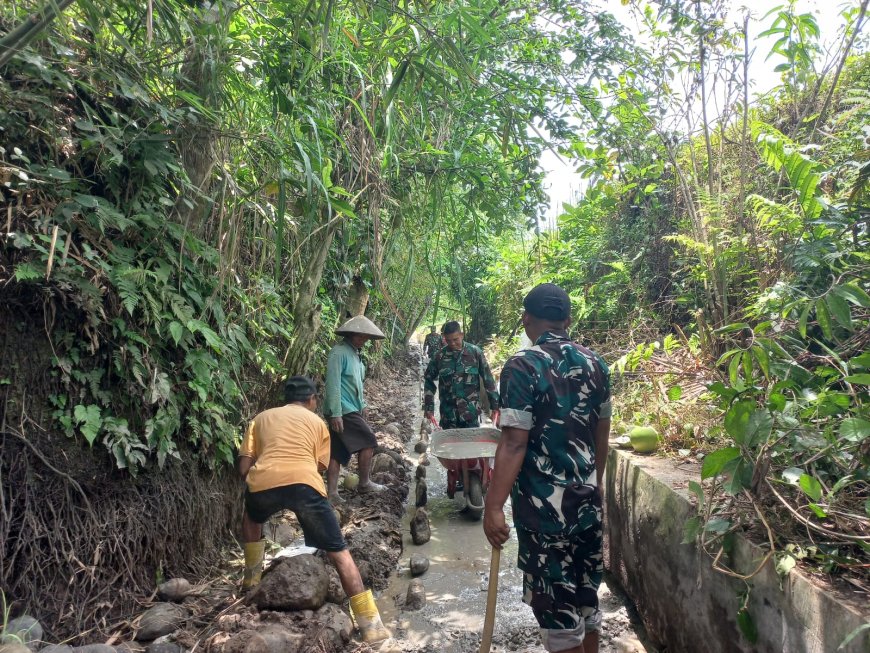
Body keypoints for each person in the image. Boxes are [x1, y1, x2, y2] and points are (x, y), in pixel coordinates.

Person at [483, 283, 612, 653]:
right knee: (586, 600)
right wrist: (594, 483)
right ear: (568, 320)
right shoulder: (597, 364)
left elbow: (513, 442)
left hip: (544, 515)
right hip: (587, 503)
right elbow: (601, 436)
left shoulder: (522, 366)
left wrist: (493, 505)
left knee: (557, 609)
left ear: (526, 319)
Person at [237, 376, 390, 643]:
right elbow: (319, 466)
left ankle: (251, 579)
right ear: (312, 400)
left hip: (262, 482)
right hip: (304, 484)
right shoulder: (318, 423)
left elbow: (243, 468)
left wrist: (263, 480)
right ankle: (371, 626)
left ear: (285, 399)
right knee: (339, 552)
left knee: (251, 517)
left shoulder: (260, 419)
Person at [324, 315, 387, 504]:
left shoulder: (357, 356)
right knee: (369, 441)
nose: (362, 340)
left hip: (352, 408)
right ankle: (364, 483)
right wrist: (336, 413)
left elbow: (357, 384)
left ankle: (332, 493)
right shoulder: (339, 353)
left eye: (365, 337)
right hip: (343, 409)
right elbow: (333, 385)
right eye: (359, 336)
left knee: (337, 451)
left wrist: (363, 404)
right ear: (350, 334)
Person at [423, 320, 499, 428]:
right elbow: (429, 381)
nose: (452, 343)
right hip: (448, 416)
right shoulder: (439, 356)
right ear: (444, 338)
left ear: (461, 335)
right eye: (448, 340)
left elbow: (488, 379)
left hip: (470, 414)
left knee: (471, 444)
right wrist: (428, 407)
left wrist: (495, 405)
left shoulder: (475, 353)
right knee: (448, 445)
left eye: (455, 339)